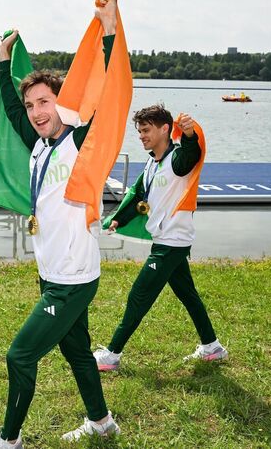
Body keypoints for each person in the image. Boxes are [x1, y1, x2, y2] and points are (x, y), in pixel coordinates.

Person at [0, 1, 121, 448]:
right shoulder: (39, 144)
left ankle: (9, 440)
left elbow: (108, 93)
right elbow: (10, 108)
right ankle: (102, 422)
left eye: (45, 101)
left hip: (72, 279)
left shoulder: (79, 141)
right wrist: (3, 60)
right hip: (52, 273)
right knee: (77, 351)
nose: (36, 111)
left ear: (63, 102)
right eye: (32, 104)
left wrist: (110, 32)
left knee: (20, 355)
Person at [93, 104, 228, 373]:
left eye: (146, 130)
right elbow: (139, 194)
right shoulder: (153, 161)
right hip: (166, 240)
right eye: (139, 131)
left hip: (171, 242)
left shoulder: (177, 159)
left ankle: (111, 355)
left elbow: (191, 153)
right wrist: (120, 219)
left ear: (165, 129)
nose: (141, 136)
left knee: (139, 295)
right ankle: (213, 348)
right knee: (188, 295)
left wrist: (189, 135)